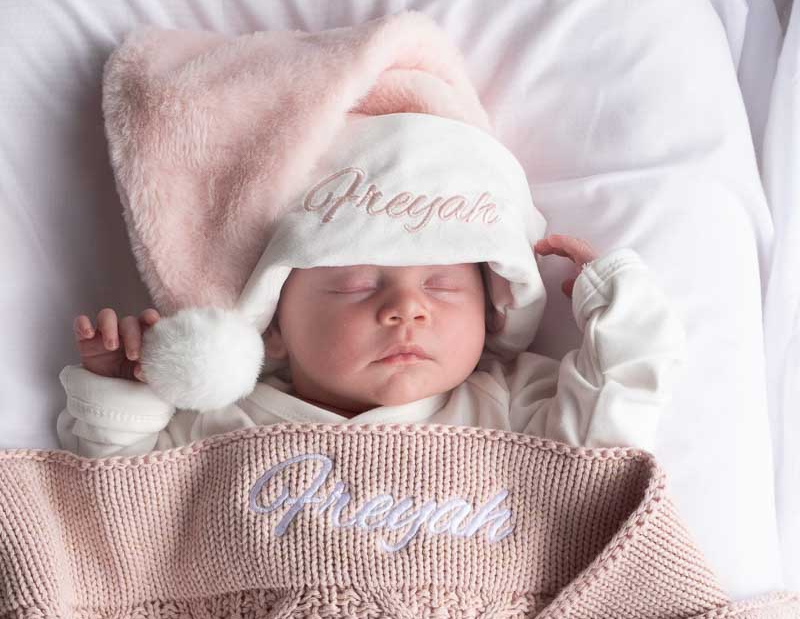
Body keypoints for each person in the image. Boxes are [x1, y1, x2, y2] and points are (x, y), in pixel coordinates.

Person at [57, 231, 686, 458]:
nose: (407, 308)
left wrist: (617, 307)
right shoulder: (222, 421)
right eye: (358, 286)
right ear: (272, 327)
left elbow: (611, 442)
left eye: (442, 286)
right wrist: (125, 390)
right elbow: (121, 498)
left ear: (490, 317)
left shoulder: (512, 405)